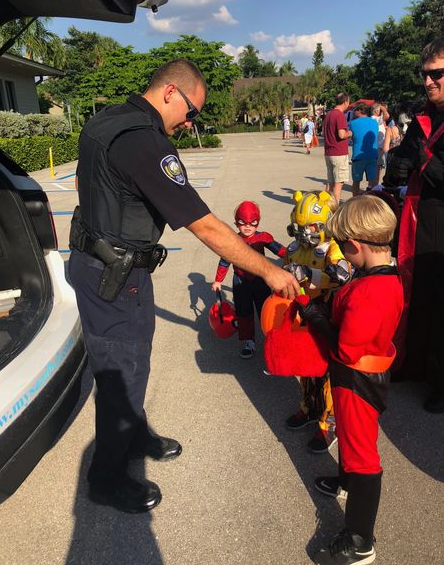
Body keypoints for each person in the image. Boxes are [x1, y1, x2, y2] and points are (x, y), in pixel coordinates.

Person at [68, 58, 299, 514]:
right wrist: (269, 271)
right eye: (192, 112)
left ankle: (135, 436)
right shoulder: (145, 142)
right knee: (121, 372)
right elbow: (205, 226)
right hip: (115, 275)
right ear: (171, 92)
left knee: (130, 363)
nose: (191, 123)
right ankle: (105, 478)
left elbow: (86, 183)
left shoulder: (107, 120)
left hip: (101, 265)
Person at [297, 194, 403, 565]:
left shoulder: (372, 292)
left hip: (358, 380)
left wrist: (313, 313)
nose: (341, 253)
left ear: (355, 246)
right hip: (355, 375)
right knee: (346, 432)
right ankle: (345, 483)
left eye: (343, 247)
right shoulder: (379, 275)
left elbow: (345, 347)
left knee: (363, 456)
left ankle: (360, 540)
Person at [384, 36, 444, 413]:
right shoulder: (423, 116)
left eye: (437, 74)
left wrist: (422, 160)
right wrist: (398, 166)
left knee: (441, 301)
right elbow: (403, 162)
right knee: (416, 292)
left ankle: (441, 381)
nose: (428, 81)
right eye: (424, 74)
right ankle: (413, 364)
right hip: (418, 218)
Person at [283, 190, 351, 453]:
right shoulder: (294, 249)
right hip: (301, 315)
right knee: (305, 366)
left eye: (311, 227)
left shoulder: (331, 248)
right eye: (300, 227)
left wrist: (308, 273)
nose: (305, 233)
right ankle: (309, 408)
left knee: (326, 372)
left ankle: (329, 423)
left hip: (324, 314)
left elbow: (342, 274)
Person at [211, 201, 287, 359]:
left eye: (252, 223)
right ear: (236, 223)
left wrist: (295, 255)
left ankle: (271, 339)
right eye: (242, 222)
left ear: (258, 222)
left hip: (260, 280)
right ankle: (248, 341)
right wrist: (218, 280)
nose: (247, 227)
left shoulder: (263, 237)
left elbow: (280, 250)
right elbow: (224, 262)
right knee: (243, 312)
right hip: (240, 281)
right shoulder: (232, 241)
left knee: (266, 311)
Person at [322, 92, 353, 204]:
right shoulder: (339, 115)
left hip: (329, 152)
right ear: (345, 102)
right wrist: (350, 133)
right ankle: (335, 206)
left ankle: (326, 205)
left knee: (330, 182)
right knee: (338, 183)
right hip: (339, 153)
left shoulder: (329, 114)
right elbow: (341, 135)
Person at [348, 103, 379, 195]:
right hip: (373, 154)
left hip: (358, 155)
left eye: (355, 110)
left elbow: (353, 138)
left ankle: (355, 199)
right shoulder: (374, 122)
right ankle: (374, 200)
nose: (353, 112)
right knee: (373, 181)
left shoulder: (353, 123)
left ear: (360, 111)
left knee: (356, 181)